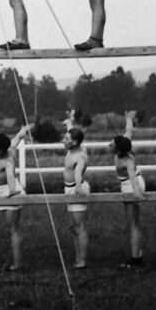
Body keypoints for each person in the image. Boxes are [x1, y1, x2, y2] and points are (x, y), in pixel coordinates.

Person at [0, 125, 31, 271]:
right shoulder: (9, 149)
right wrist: (23, 131)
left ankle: (17, 263)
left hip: (10, 192)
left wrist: (11, 192)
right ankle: (16, 260)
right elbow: (17, 138)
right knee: (12, 228)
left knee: (13, 229)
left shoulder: (7, 161)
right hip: (4, 192)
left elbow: (10, 178)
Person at [112, 110, 146, 268]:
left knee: (132, 223)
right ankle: (137, 252)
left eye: (112, 144)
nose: (110, 144)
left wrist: (137, 194)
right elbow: (129, 131)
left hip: (131, 185)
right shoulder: (124, 147)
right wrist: (128, 119)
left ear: (118, 151)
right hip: (131, 183)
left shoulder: (127, 161)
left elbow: (132, 178)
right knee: (134, 223)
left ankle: (136, 259)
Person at [62, 113, 90, 269]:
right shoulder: (74, 148)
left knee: (79, 227)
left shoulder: (80, 156)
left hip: (76, 188)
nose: (63, 141)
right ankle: (78, 257)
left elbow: (78, 173)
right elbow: (73, 133)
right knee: (74, 228)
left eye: (66, 139)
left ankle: (82, 260)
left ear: (74, 143)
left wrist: (78, 188)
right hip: (70, 188)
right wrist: (69, 124)